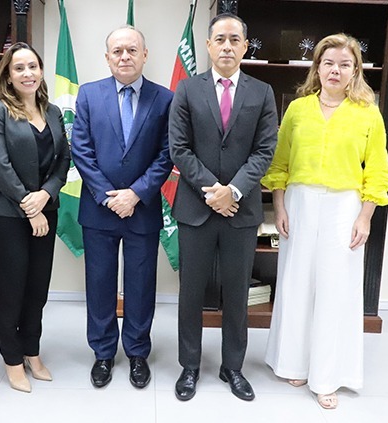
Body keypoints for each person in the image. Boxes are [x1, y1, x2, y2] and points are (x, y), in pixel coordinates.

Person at [262, 33, 388, 410]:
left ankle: (328, 375)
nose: (336, 70)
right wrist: (280, 208)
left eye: (345, 64)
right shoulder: (298, 109)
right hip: (299, 202)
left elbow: (379, 170)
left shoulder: (368, 113)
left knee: (336, 290)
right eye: (329, 62)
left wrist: (365, 217)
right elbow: (280, 164)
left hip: (344, 206)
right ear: (317, 67)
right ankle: (294, 362)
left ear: (355, 71)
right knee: (296, 282)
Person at [169, 13, 278, 402]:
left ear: (245, 45)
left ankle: (233, 366)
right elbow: (178, 148)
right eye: (220, 39)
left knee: (236, 293)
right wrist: (213, 190)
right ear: (209, 46)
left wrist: (232, 191)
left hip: (241, 212)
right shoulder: (187, 90)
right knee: (191, 294)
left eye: (235, 39)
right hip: (196, 209)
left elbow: (265, 150)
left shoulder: (262, 92)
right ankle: (190, 366)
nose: (227, 46)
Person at [71, 25, 173, 389]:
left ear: (145, 55)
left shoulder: (164, 98)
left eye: (132, 50)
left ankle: (137, 353)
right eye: (117, 51)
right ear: (107, 57)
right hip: (99, 209)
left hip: (141, 209)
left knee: (141, 284)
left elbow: (166, 154)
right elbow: (80, 150)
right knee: (99, 284)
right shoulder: (89, 94)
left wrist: (135, 194)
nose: (125, 56)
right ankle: (102, 353)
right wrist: (108, 195)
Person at [0, 42, 70, 393]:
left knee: (38, 289)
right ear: (8, 74)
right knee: (11, 290)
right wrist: (29, 205)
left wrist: (46, 194)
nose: (27, 73)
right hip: (8, 215)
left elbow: (64, 161)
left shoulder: (53, 112)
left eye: (32, 66)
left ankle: (32, 350)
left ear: (41, 70)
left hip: (46, 210)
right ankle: (12, 359)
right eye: (19, 68)